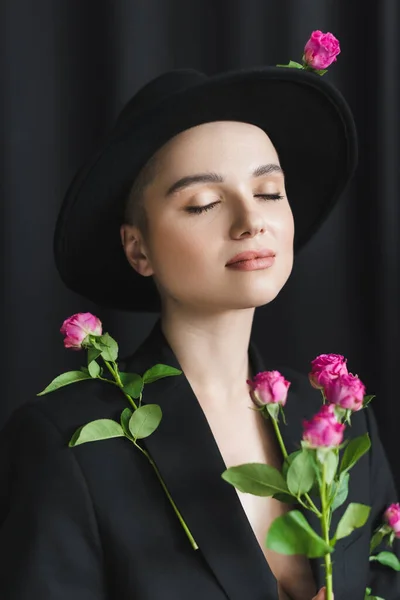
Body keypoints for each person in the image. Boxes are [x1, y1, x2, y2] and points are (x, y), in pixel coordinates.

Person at [0, 57, 399, 600]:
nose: (250, 220)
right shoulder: (69, 447)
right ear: (138, 248)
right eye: (203, 203)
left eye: (268, 192)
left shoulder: (340, 420)